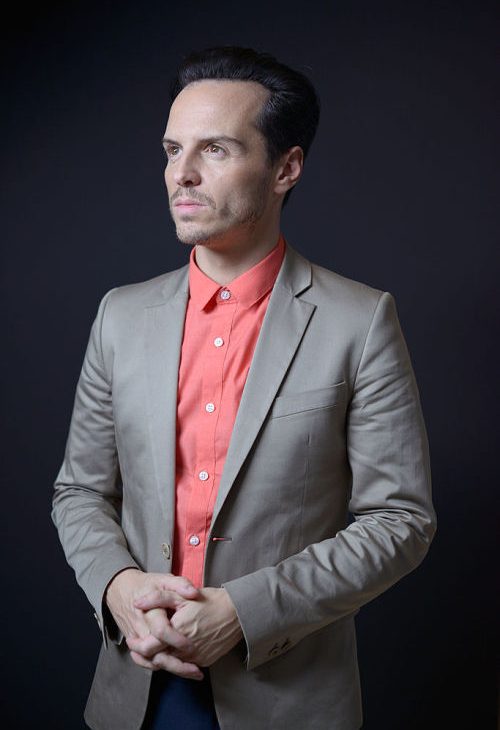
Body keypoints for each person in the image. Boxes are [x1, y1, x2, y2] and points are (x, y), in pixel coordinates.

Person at [52, 46, 436, 730]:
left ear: (286, 169)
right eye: (172, 149)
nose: (181, 175)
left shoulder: (360, 319)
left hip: (287, 695)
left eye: (216, 150)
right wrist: (117, 587)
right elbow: (80, 490)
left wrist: (246, 611)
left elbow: (400, 520)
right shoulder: (120, 314)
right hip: (135, 690)